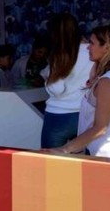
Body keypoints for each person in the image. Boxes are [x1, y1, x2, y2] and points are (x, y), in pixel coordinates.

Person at [48, 25, 110, 159]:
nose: (88, 47)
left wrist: (65, 149)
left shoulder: (108, 82)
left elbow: (100, 128)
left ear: (106, 47)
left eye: (92, 43)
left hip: (107, 155)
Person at [40, 13, 93, 149]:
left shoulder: (59, 55)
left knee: (51, 160)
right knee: (84, 160)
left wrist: (47, 79)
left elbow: (57, 89)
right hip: (85, 115)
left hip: (58, 115)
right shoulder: (92, 51)